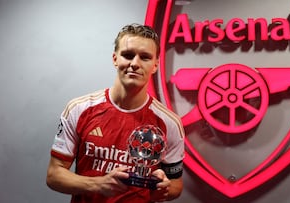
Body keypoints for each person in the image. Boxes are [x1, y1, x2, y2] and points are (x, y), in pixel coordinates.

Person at [46, 23, 185, 203]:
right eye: (128, 55)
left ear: (156, 64)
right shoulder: (79, 109)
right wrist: (98, 184)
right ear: (115, 59)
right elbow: (54, 175)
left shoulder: (170, 123)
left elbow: (176, 185)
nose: (134, 63)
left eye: (145, 57)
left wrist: (163, 189)